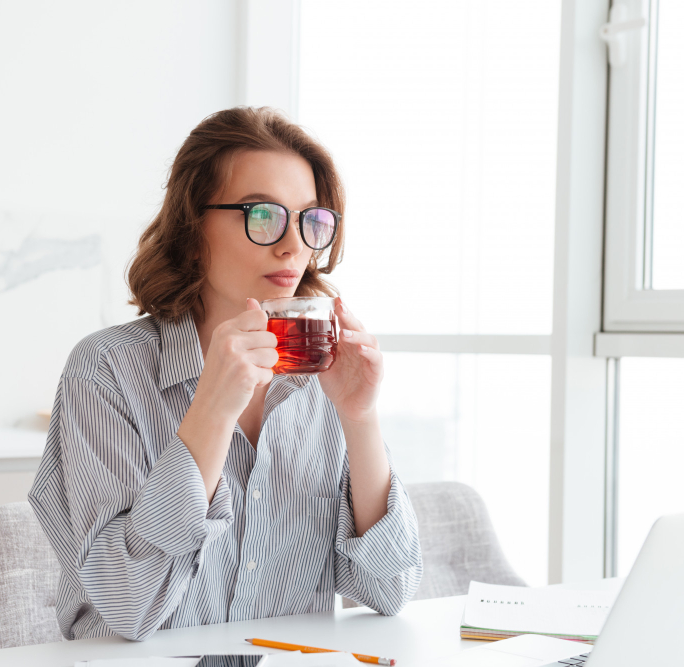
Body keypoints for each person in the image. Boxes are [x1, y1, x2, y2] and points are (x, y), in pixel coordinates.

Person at [29, 107, 422, 641]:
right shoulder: (106, 371)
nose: (293, 245)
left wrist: (360, 419)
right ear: (193, 228)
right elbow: (127, 608)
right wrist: (212, 411)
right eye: (262, 215)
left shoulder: (323, 381)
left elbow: (391, 589)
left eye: (310, 220)